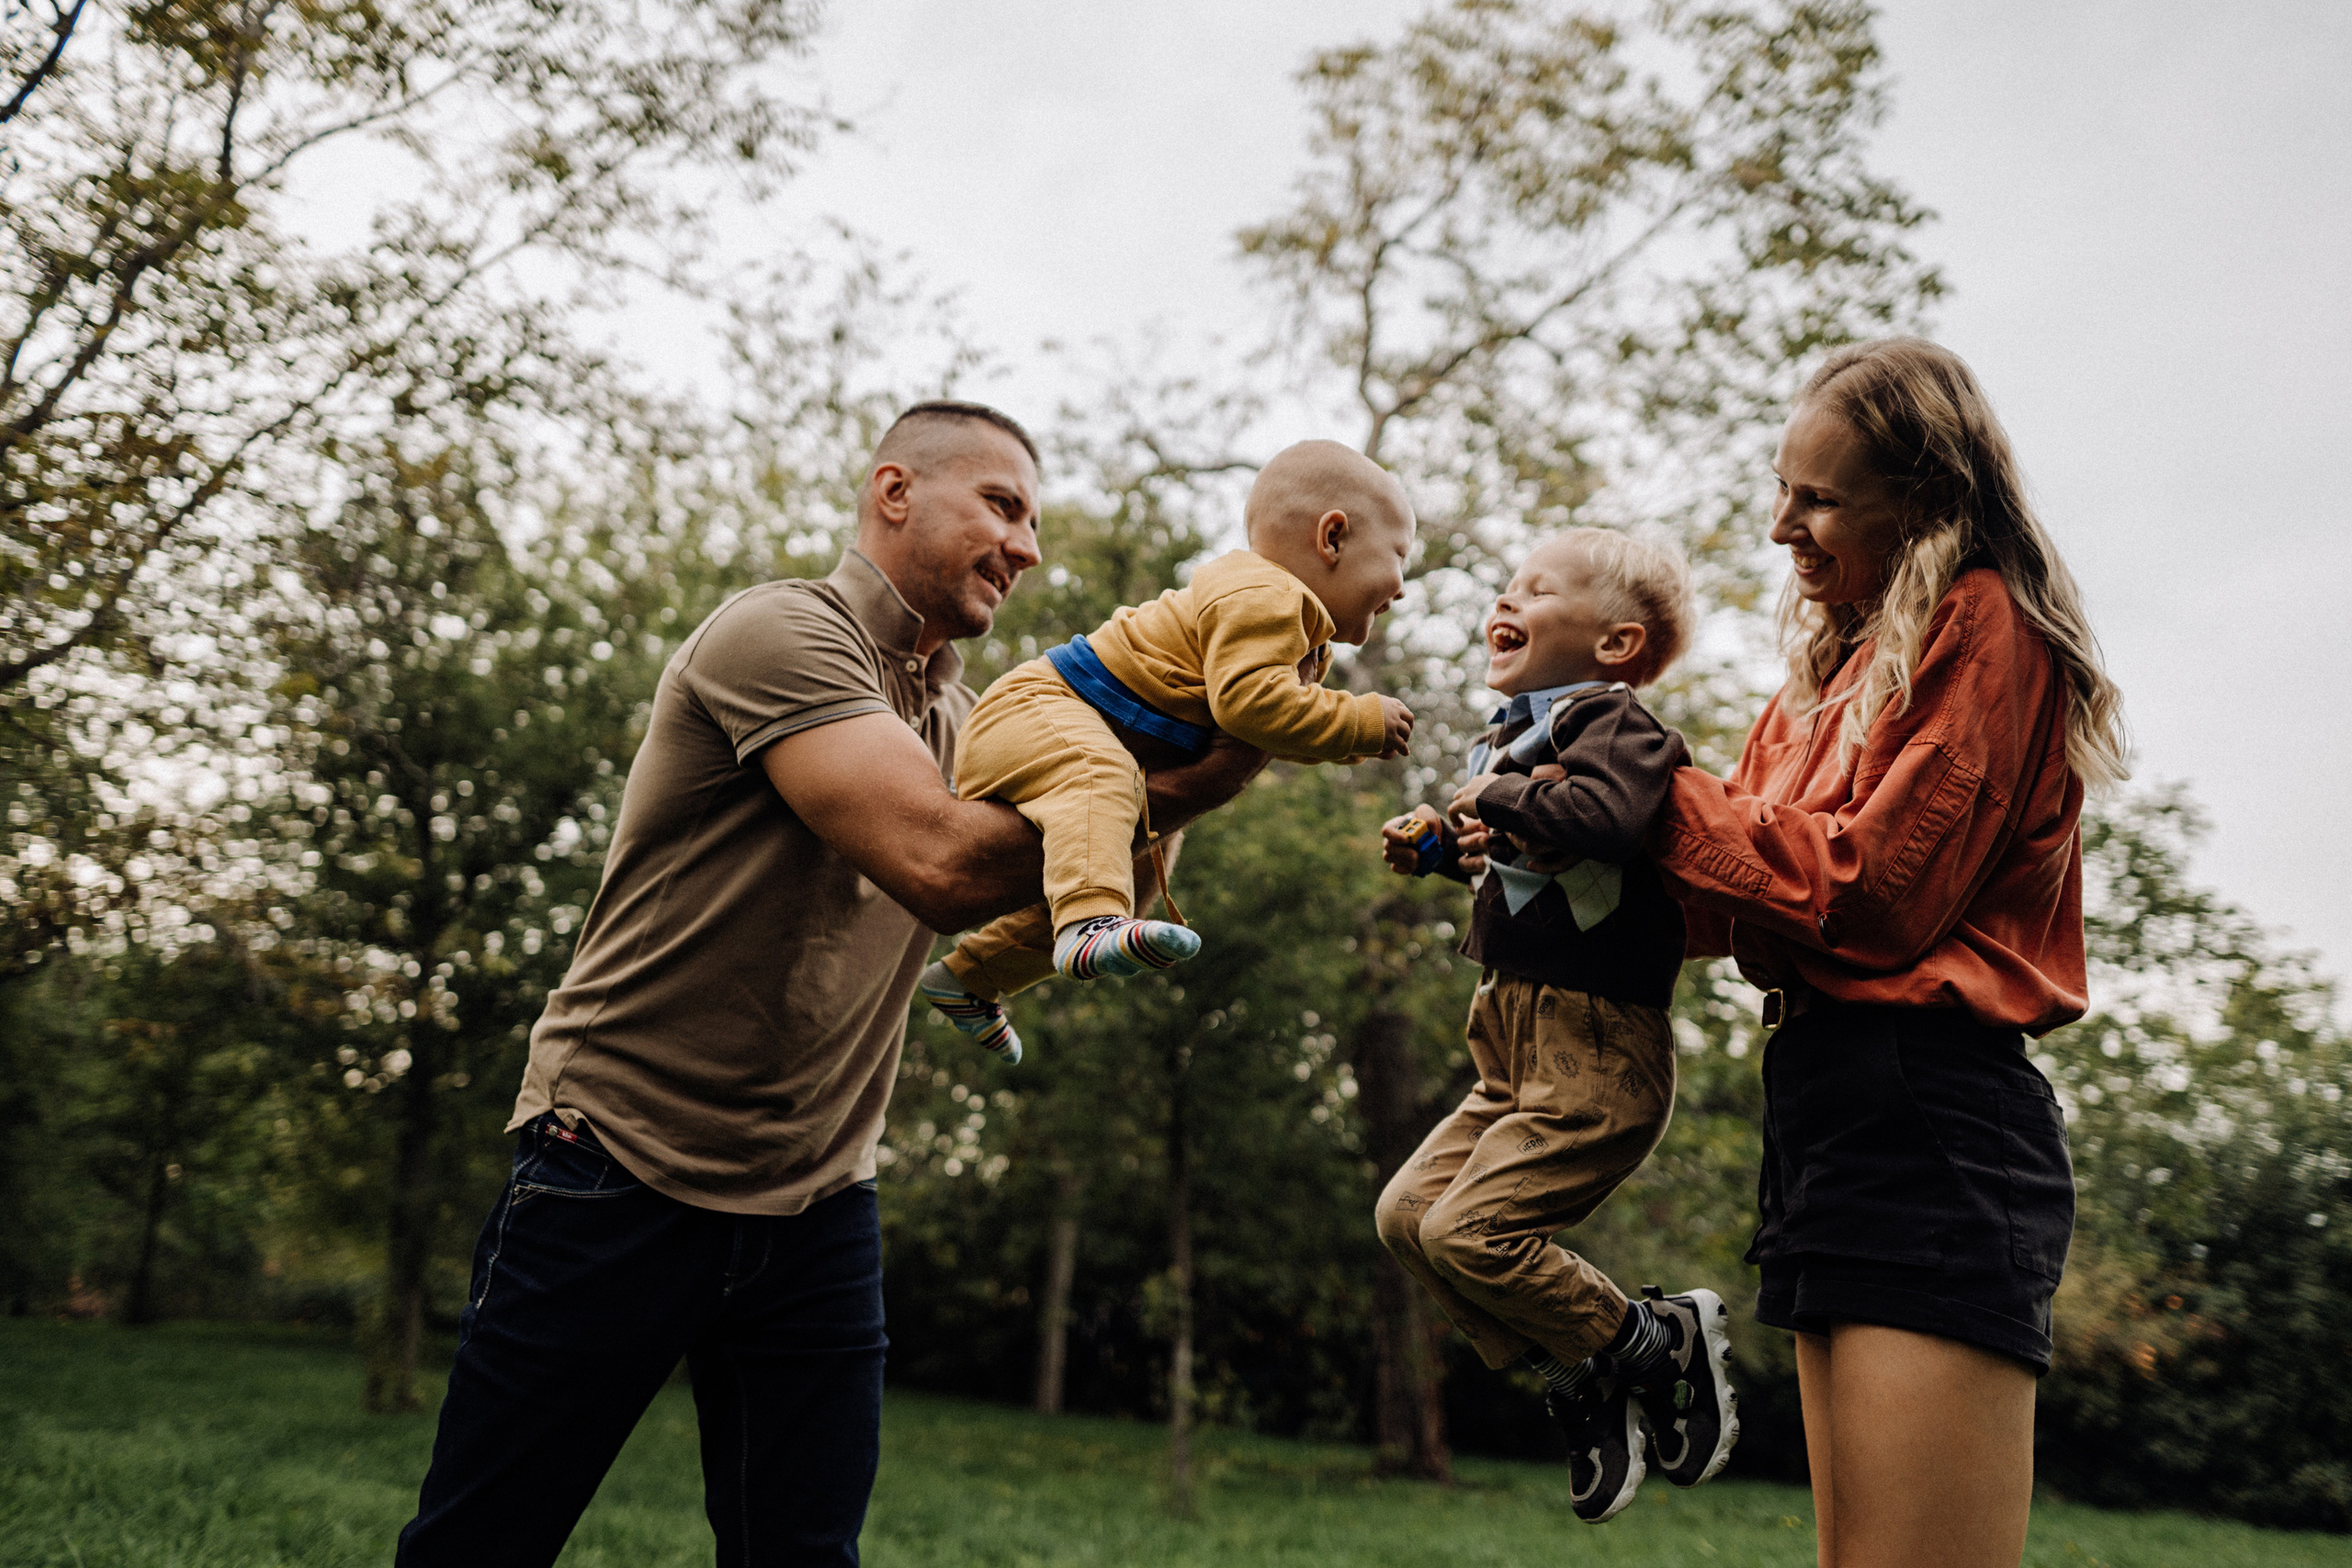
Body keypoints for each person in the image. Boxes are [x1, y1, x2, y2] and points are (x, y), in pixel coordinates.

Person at [394, 401, 1270, 1568]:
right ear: (894, 492)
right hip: (617, 1162)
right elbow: (944, 865)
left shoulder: (968, 717)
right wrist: (1180, 788)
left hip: (816, 1200)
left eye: (1032, 520)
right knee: (482, 1546)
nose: (1028, 547)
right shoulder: (778, 633)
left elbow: (1051, 878)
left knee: (803, 1558)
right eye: (1001, 506)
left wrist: (1218, 719)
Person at [1641, 339, 2127, 1567]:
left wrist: (1647, 793)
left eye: (1816, 498)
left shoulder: (1987, 626)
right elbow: (1720, 900)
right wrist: (1548, 834)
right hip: (1825, 1106)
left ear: (1921, 498)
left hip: (1934, 1111)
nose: (1779, 528)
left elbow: (1873, 895)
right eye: (1782, 489)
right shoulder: (1826, 675)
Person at [1373, 526, 1739, 1524]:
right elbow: (1532, 856)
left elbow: (1608, 822)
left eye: (1533, 589)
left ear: (1616, 643)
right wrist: (1448, 847)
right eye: (1505, 585)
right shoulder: (1516, 740)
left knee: (1470, 1230)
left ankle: (1651, 1344)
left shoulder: (1620, 729)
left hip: (1594, 1043)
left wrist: (1494, 794)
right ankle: (1590, 1362)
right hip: (1508, 1039)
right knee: (1407, 1218)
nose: (1505, 599)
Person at [918, 439, 1418, 1062]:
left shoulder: (1293, 625)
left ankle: (972, 976)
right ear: (1334, 538)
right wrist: (1361, 721)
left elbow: (1274, 725)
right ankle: (1087, 924)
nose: (1400, 586)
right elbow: (1252, 705)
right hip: (1033, 711)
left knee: (1140, 871)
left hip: (1080, 734)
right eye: (1399, 556)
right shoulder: (1265, 594)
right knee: (1101, 779)